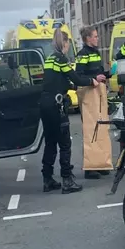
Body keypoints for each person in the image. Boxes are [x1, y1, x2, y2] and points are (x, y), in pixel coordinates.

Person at [39, 29, 96, 193]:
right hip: (57, 106)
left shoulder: (49, 59)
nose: (69, 46)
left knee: (50, 143)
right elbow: (76, 78)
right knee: (65, 144)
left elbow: (57, 80)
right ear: (64, 43)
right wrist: (92, 81)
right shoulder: (61, 59)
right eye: (68, 43)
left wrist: (70, 86)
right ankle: (67, 180)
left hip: (45, 104)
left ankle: (47, 179)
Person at [75, 26, 114, 179]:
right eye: (95, 36)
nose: (97, 39)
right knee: (91, 130)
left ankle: (101, 163)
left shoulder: (96, 53)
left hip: (99, 92)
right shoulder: (82, 55)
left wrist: (108, 74)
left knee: (102, 128)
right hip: (89, 94)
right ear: (88, 39)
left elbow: (98, 73)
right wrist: (94, 79)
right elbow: (79, 75)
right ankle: (90, 168)